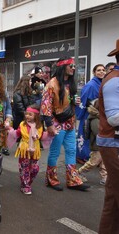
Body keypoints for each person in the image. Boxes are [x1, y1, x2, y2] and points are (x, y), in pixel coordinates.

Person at [41, 56, 89, 191]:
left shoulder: (71, 84)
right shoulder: (51, 84)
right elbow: (46, 106)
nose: (73, 68)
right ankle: (51, 180)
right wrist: (49, 125)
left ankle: (73, 180)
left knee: (72, 151)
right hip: (56, 124)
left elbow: (68, 101)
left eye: (74, 66)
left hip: (69, 122)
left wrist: (75, 102)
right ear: (63, 67)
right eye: (71, 66)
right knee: (55, 152)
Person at [97, 39, 119, 233]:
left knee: (113, 193)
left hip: (114, 141)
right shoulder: (114, 81)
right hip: (114, 142)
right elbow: (113, 119)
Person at [8, 105, 45, 195]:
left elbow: (41, 135)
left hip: (35, 150)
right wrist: (10, 130)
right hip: (24, 149)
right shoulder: (22, 124)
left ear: (36, 116)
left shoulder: (39, 126)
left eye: (30, 114)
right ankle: (25, 186)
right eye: (26, 114)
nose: (27, 116)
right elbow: (17, 133)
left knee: (35, 169)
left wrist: (39, 136)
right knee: (24, 168)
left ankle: (27, 183)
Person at [75, 64, 106, 164]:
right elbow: (84, 100)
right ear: (94, 72)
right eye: (98, 70)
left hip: (98, 114)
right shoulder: (91, 85)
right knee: (85, 135)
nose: (101, 72)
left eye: (103, 70)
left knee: (93, 136)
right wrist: (81, 114)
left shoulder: (102, 83)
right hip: (88, 114)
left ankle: (92, 158)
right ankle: (81, 156)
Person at [77, 99, 107, 185]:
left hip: (102, 143)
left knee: (103, 162)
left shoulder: (99, 117)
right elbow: (97, 131)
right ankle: (79, 172)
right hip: (96, 144)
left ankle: (105, 177)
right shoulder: (95, 118)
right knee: (94, 162)